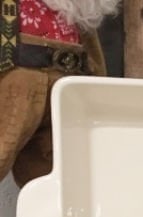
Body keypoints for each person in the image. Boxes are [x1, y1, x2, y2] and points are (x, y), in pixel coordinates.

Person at [0, 0, 120, 187]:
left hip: (66, 93)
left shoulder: (77, 12)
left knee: (54, 176)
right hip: (17, 87)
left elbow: (94, 57)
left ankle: (50, 214)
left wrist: (97, 94)